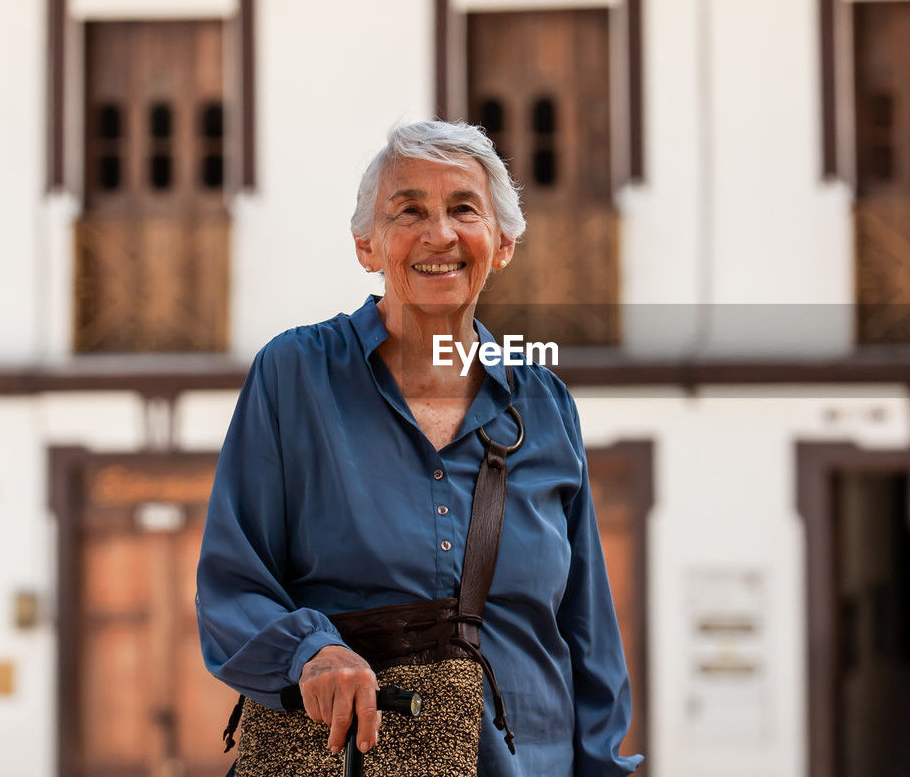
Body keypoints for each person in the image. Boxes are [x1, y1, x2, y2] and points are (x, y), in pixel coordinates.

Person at [196, 120, 642, 775]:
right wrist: (309, 652)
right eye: (409, 212)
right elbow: (232, 585)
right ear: (366, 247)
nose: (440, 234)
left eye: (465, 209)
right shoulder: (295, 375)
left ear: (503, 243)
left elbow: (588, 634)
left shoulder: (544, 403)